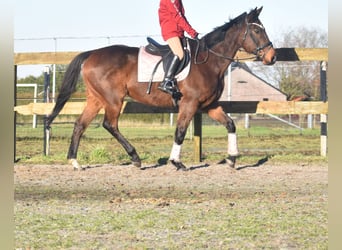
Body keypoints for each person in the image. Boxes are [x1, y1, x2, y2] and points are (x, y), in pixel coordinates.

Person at [158, 0, 198, 96]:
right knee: (180, 54)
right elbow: (178, 16)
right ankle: (166, 81)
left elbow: (182, 16)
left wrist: (190, 31)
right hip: (171, 31)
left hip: (178, 32)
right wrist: (192, 32)